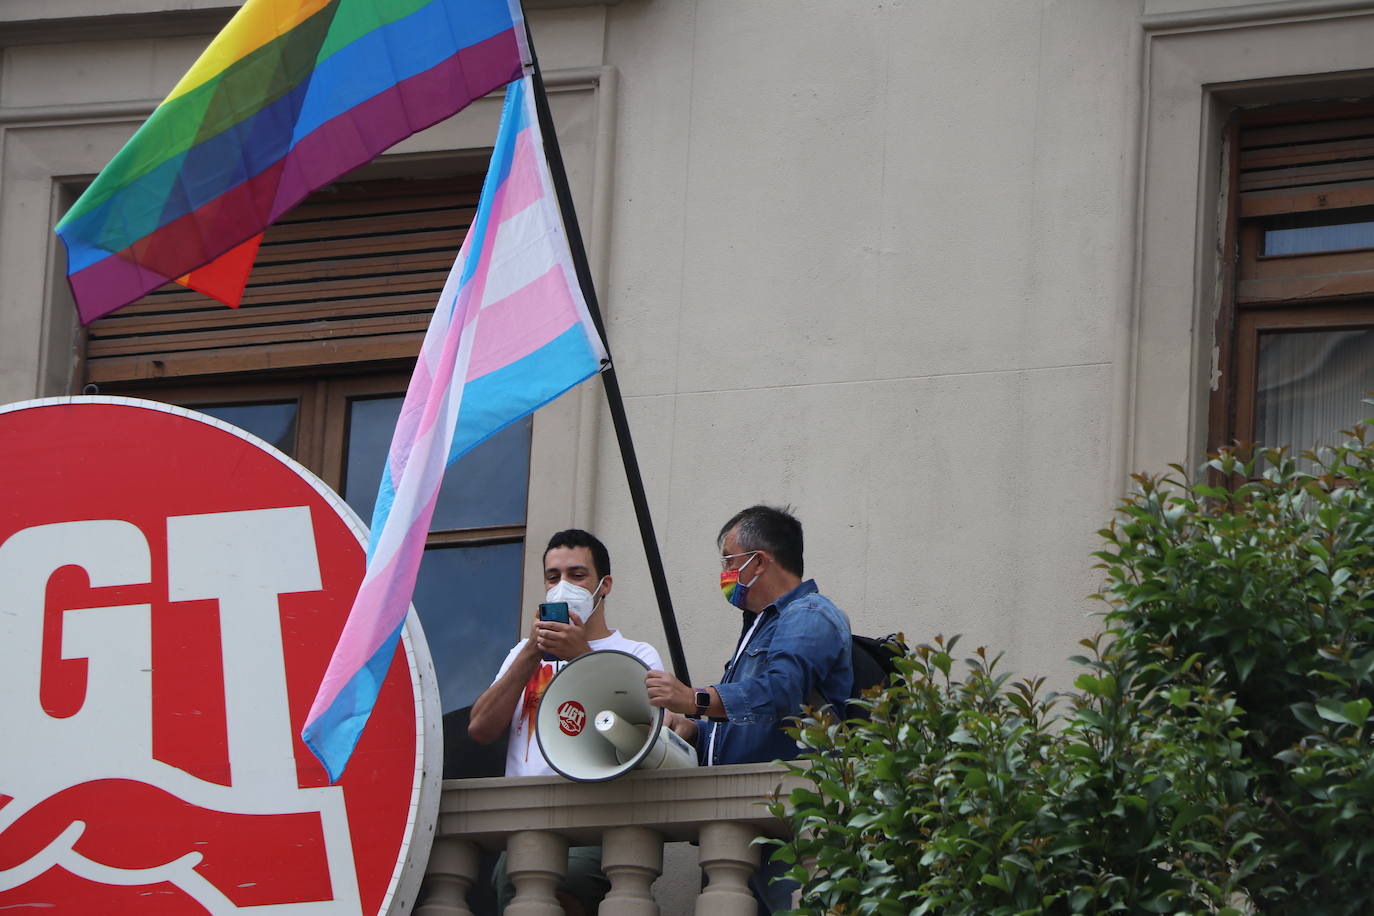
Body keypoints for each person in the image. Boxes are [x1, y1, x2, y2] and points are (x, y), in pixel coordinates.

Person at [644, 505, 852, 913]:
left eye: (728, 560)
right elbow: (754, 727)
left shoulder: (809, 615)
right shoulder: (760, 627)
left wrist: (694, 699)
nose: (724, 573)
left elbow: (779, 694)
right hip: (747, 832)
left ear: (758, 562)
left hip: (791, 831)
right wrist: (693, 729)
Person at [468, 528, 662, 915]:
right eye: (553, 577)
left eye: (577, 576)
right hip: (524, 819)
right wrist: (529, 654)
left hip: (594, 816)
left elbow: (641, 738)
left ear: (603, 586)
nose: (563, 587)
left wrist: (580, 658)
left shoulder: (636, 653)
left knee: (566, 890)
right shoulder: (520, 655)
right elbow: (480, 728)